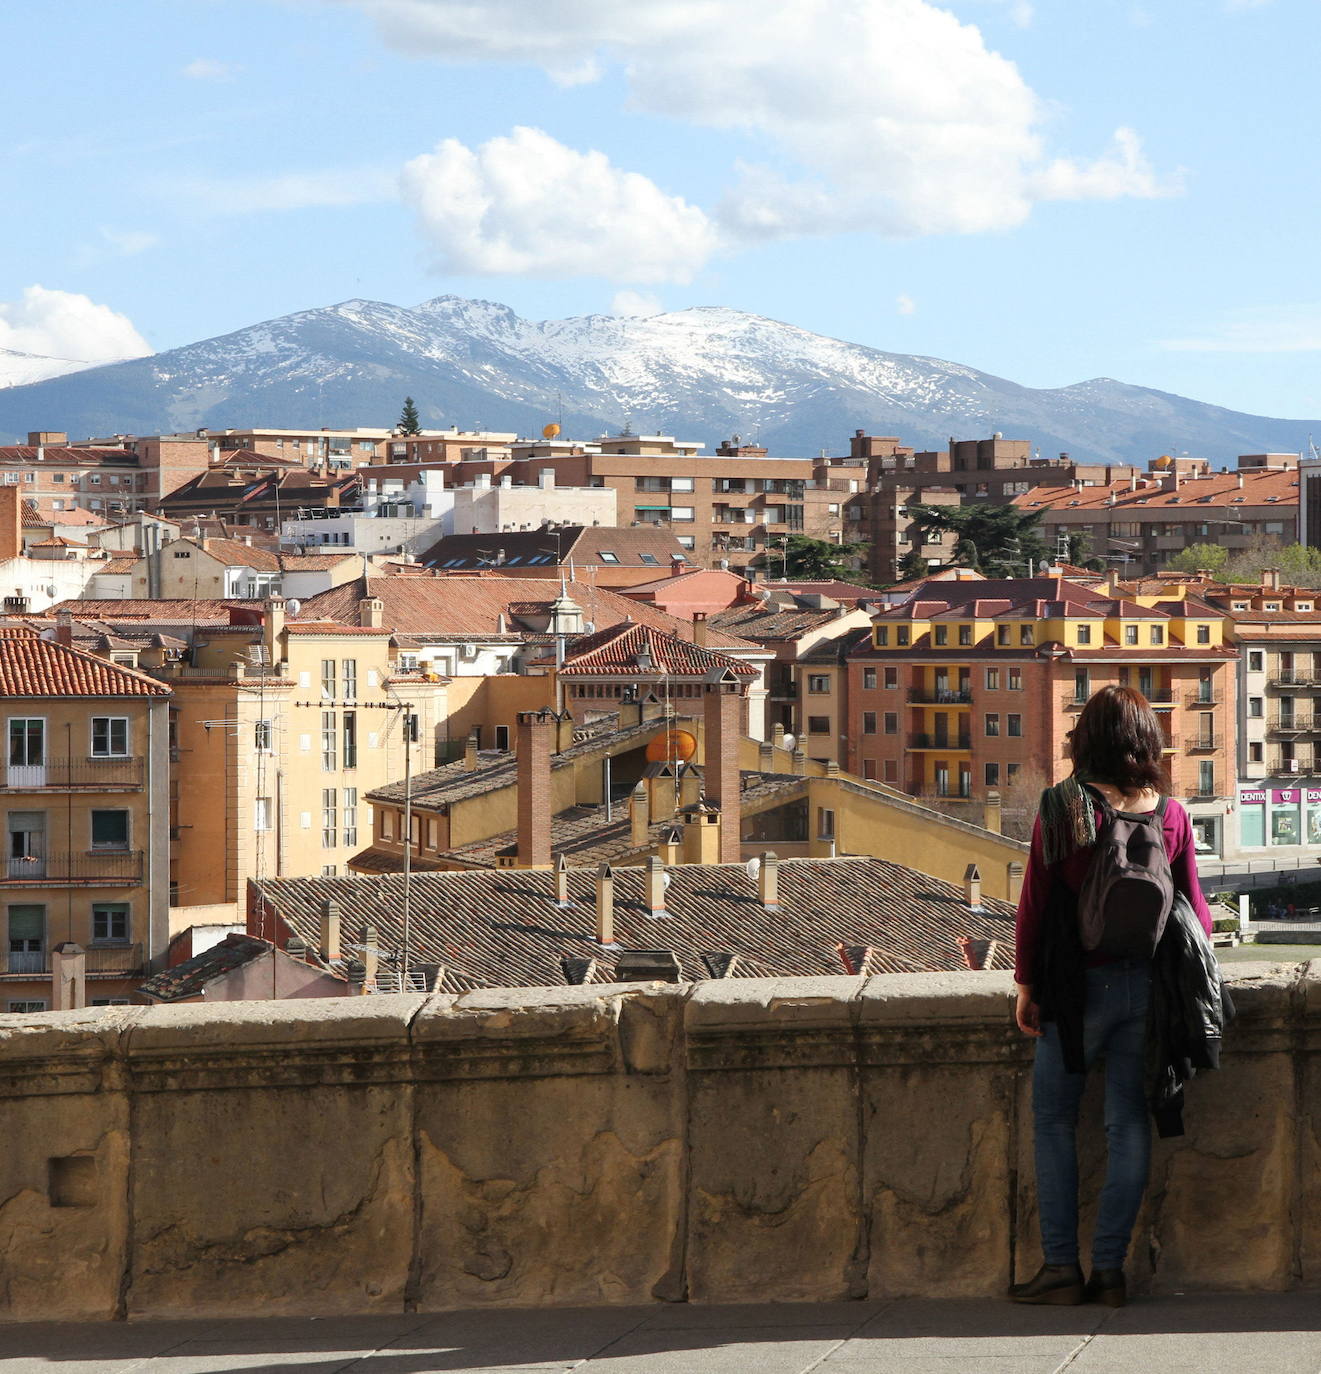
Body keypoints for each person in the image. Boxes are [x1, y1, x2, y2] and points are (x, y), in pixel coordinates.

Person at [1009, 685, 1211, 1308]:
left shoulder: (1065, 806)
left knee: (1053, 1122)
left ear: (1084, 739)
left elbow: (1036, 905)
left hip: (1075, 991)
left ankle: (1061, 1269)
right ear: (1146, 741)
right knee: (1127, 1124)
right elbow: (1195, 911)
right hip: (1145, 987)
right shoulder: (1169, 815)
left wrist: (1025, 986)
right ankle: (1111, 1271)